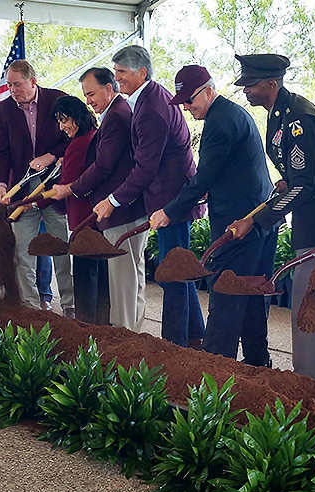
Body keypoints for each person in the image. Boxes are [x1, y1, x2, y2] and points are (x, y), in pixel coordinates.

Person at [232, 53, 315, 385]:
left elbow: (306, 186)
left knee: (309, 301)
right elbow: (298, 174)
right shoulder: (281, 112)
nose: (246, 91)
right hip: (314, 215)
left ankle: (308, 379)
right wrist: (288, 181)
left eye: (251, 85)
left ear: (272, 83)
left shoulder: (297, 118)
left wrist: (255, 220)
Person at [151, 65, 275, 366]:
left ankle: (214, 370)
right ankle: (258, 363)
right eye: (182, 102)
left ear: (208, 90)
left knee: (226, 296)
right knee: (252, 294)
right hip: (258, 220)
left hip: (239, 226)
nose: (187, 107)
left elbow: (203, 178)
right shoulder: (232, 114)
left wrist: (169, 211)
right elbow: (222, 173)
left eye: (190, 100)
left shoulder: (219, 123)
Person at [94, 45, 204, 348]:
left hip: (172, 202)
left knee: (172, 274)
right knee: (179, 268)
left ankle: (174, 346)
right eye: (115, 72)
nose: (117, 79)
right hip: (170, 198)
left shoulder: (151, 109)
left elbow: (145, 168)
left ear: (142, 72)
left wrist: (112, 201)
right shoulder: (148, 99)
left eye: (122, 73)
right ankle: (195, 336)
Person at [48, 67, 145, 330]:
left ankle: (116, 334)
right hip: (107, 213)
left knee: (110, 281)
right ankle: (117, 330)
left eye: (91, 94)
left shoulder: (113, 118)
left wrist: (64, 191)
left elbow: (102, 167)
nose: (89, 100)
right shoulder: (109, 119)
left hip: (103, 213)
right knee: (116, 279)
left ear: (109, 88)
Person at [0, 59, 75, 316]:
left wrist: (51, 156)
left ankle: (71, 307)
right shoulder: (2, 111)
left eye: (17, 84)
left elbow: (76, 137)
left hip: (55, 188)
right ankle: (29, 307)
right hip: (21, 192)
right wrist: (1, 183)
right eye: (9, 85)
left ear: (33, 81)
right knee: (23, 251)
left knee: (62, 249)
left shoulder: (58, 101)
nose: (13, 89)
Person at [39, 95, 105, 324]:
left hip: (82, 220)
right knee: (98, 276)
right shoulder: (93, 136)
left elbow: (65, 188)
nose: (62, 127)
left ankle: (85, 327)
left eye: (65, 120)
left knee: (85, 277)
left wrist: (36, 202)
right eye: (59, 121)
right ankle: (99, 324)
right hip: (97, 219)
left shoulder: (77, 145)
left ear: (78, 117)